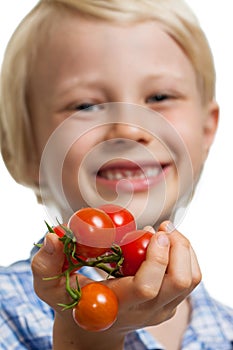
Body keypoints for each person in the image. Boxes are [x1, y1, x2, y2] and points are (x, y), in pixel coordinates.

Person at [1, 0, 233, 349]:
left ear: (206, 130)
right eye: (85, 106)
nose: (128, 128)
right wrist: (89, 331)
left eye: (159, 96)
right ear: (27, 144)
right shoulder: (7, 311)